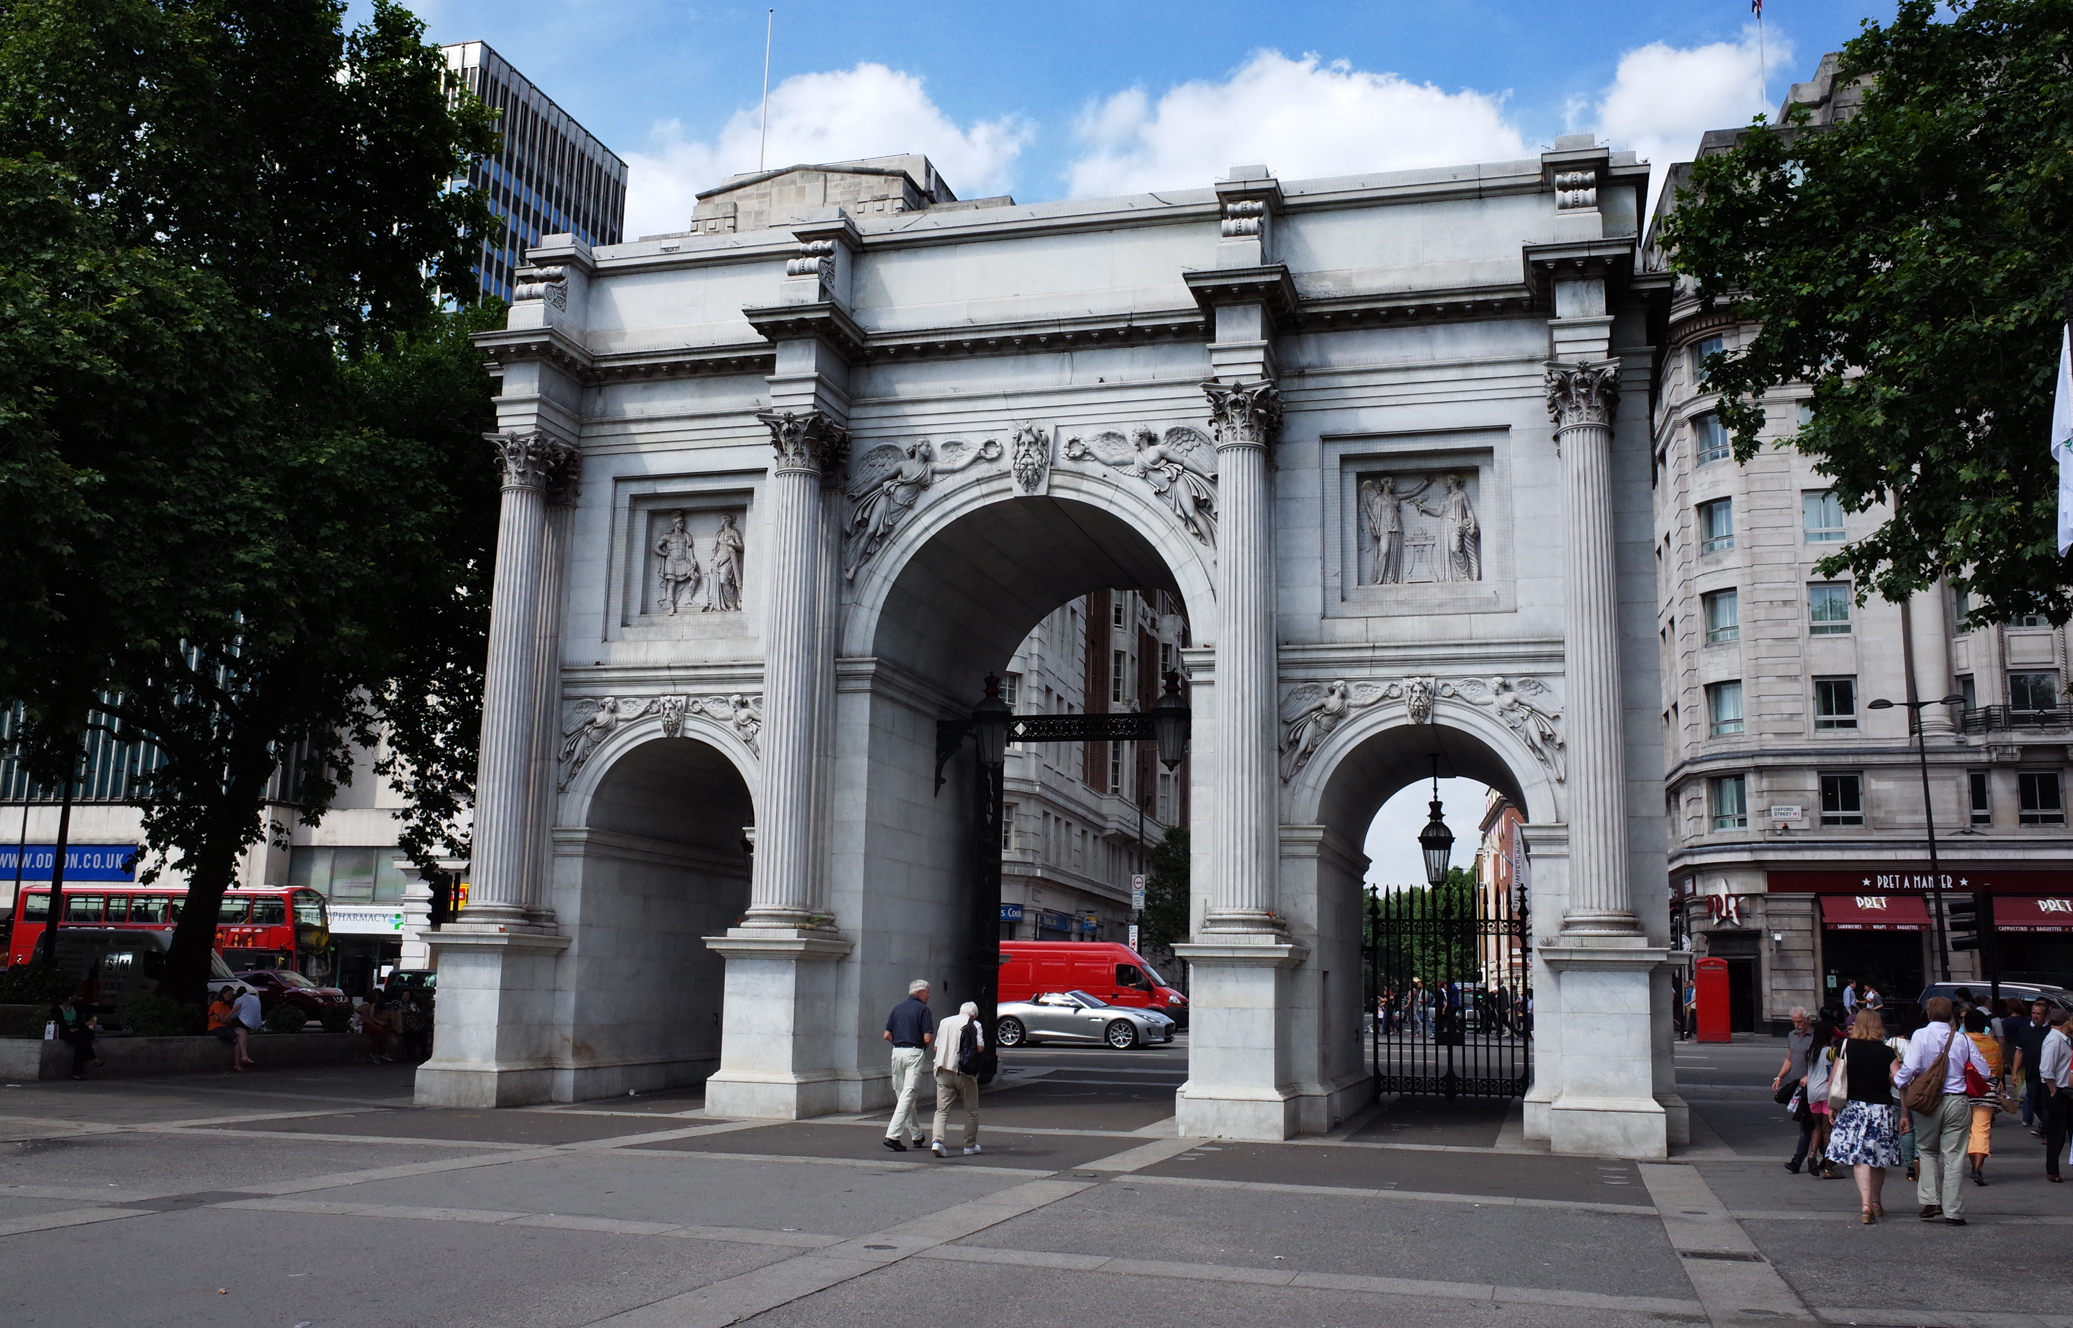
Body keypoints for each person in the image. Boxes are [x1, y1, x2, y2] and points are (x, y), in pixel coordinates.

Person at [1895, 996, 1994, 1224]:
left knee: (1928, 1150)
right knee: (1954, 1156)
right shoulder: (1962, 1039)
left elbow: (1911, 1067)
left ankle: (1931, 1200)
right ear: (1950, 1014)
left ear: (1928, 1014)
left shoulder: (1920, 1035)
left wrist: (1899, 1081)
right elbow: (1984, 1072)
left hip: (1928, 1101)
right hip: (1957, 1100)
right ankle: (1954, 1211)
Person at [1825, 1009, 1901, 1222]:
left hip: (1854, 1108)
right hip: (1881, 1109)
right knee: (1879, 1157)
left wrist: (1832, 1105)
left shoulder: (1846, 1046)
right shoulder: (1886, 1052)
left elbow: (1835, 1079)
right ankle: (1876, 1202)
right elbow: (1899, 1080)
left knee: (1860, 1158)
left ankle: (1866, 1204)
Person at [882, 979, 936, 1153]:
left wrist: (898, 1043)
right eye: (927, 991)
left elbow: (886, 1034)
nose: (929, 994)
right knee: (909, 1092)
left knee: (902, 1093)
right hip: (914, 1051)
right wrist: (922, 1046)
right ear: (919, 992)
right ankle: (893, 1135)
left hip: (897, 1051)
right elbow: (927, 1038)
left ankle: (916, 1134)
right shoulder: (923, 1010)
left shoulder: (897, 1008)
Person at [930, 1000, 985, 1158]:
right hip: (964, 1072)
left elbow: (936, 1047)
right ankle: (969, 1145)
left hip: (942, 1069)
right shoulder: (975, 1024)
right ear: (974, 1014)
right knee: (971, 1111)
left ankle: (937, 1142)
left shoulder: (945, 1021)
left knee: (941, 1110)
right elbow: (979, 1047)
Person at [1962, 1007, 2003, 1187]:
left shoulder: (1960, 1042)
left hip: (1964, 1091)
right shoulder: (1993, 1045)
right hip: (1987, 1092)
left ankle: (1972, 1165)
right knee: (1982, 1129)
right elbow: (1998, 1071)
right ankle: (1978, 1167)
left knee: (1968, 1131)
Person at [1773, 1007, 1817, 1173]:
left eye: (1800, 1021)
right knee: (1812, 1124)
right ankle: (1827, 1157)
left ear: (1807, 1020)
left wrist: (1810, 1077)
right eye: (1794, 1021)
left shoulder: (1815, 1037)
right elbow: (1789, 1059)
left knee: (1806, 1123)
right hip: (1797, 1086)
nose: (1797, 1025)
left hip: (1812, 1086)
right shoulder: (1791, 1036)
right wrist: (1779, 1077)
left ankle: (1797, 1161)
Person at [2005, 997, 2052, 1132]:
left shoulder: (2049, 1031)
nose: (2036, 1016)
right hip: (2030, 1072)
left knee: (2045, 1103)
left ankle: (2047, 1130)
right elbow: (2019, 1052)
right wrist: (2014, 1072)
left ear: (2045, 1015)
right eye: (2034, 1013)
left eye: (2039, 1014)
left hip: (2046, 1072)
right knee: (2034, 1100)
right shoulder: (2025, 1030)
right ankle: (2046, 1124)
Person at [1804, 1013, 1843, 1178]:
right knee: (1829, 1131)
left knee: (1817, 1127)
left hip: (1811, 1092)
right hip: (1826, 1093)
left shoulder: (1810, 1051)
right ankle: (1829, 1169)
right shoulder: (1831, 1052)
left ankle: (1812, 1154)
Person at [2041, 1009, 2071, 1183]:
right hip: (2058, 1090)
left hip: (2064, 1090)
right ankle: (2052, 1169)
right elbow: (2046, 1069)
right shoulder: (2054, 1040)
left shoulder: (2062, 1039)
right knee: (2057, 1133)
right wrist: (2053, 1089)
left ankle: (2054, 1168)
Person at [50, 993, 101, 1080]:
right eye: (74, 995)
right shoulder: (57, 1009)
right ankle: (94, 1058)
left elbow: (79, 1022)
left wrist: (82, 1025)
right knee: (81, 1039)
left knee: (80, 1043)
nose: (76, 997)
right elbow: (60, 1023)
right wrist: (69, 1028)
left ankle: (77, 1072)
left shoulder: (75, 1008)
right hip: (65, 1032)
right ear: (69, 997)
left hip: (76, 1031)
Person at [207, 986, 249, 1070]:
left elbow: (228, 1021)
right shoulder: (218, 1004)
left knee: (242, 1031)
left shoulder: (226, 1005)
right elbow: (223, 1020)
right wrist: (233, 1011)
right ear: (223, 994)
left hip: (225, 1026)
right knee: (237, 1039)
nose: (231, 996)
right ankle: (237, 1064)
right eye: (229, 994)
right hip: (216, 1027)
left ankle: (244, 1055)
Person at [231, 985, 263, 1070]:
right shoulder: (256, 998)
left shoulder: (239, 1000)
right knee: (239, 1038)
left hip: (245, 1024)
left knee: (240, 1033)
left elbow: (234, 1015)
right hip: (258, 1024)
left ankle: (242, 1058)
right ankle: (238, 1065)